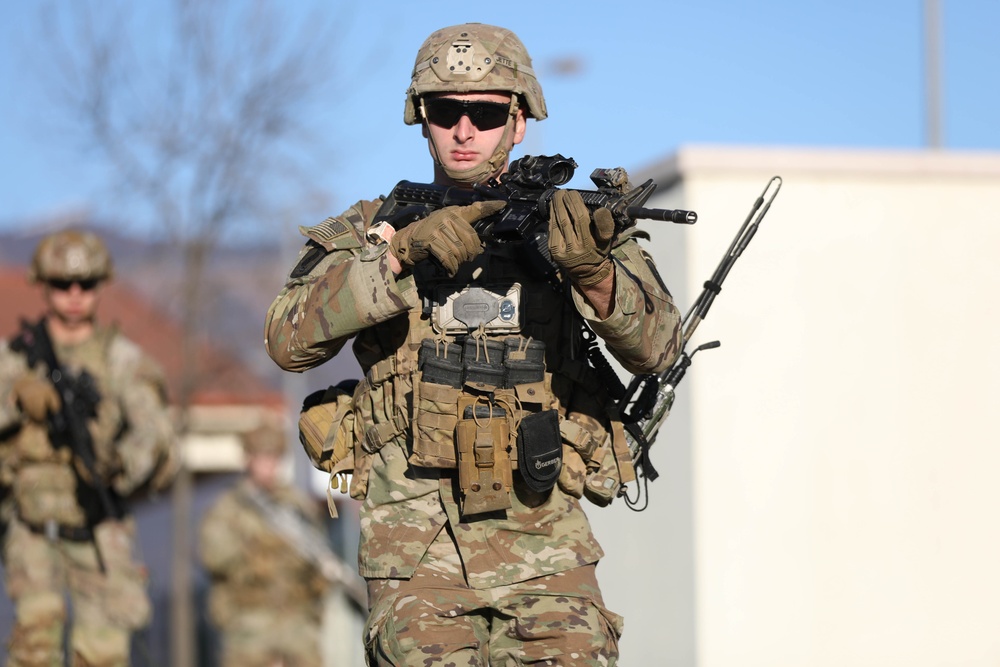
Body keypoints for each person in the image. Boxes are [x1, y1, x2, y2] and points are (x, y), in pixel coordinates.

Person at [265, 23, 682, 666]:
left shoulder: (574, 224)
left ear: (519, 122)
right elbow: (287, 339)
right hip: (414, 552)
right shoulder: (373, 227)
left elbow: (659, 349)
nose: (464, 130)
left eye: (486, 113)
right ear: (420, 118)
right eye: (445, 110)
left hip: (544, 543)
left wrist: (593, 274)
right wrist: (396, 257)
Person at [0, 229, 178, 666]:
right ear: (44, 285)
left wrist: (119, 464)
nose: (75, 295)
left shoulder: (123, 361)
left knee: (102, 656)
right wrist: (15, 400)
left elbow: (154, 435)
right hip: (31, 529)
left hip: (99, 527)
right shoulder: (16, 358)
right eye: (62, 284)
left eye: (87, 283)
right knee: (34, 654)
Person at [198, 423, 333, 667]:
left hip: (297, 620)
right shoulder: (230, 507)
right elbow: (213, 558)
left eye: (273, 458)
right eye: (262, 458)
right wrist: (256, 542)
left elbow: (319, 558)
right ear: (248, 459)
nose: (268, 466)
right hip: (249, 622)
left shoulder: (296, 506)